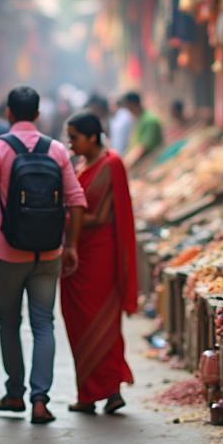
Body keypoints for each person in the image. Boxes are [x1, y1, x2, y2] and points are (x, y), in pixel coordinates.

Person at [0, 85, 86, 424]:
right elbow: (76, 200)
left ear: (9, 113)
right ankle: (41, 400)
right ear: (37, 115)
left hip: (7, 252)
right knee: (43, 324)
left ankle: (14, 394)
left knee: (9, 322)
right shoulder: (55, 149)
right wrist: (71, 245)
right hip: (48, 252)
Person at [61, 111, 138, 415]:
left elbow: (104, 215)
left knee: (102, 321)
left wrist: (66, 216)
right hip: (80, 250)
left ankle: (104, 391)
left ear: (92, 136)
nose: (70, 143)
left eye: (74, 137)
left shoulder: (111, 164)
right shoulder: (83, 164)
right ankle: (94, 390)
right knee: (79, 323)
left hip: (99, 253)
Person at [121, 91, 164, 169]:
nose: (128, 110)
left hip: (153, 165)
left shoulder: (150, 120)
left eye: (127, 107)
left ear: (132, 104)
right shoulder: (138, 120)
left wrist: (126, 163)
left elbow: (142, 147)